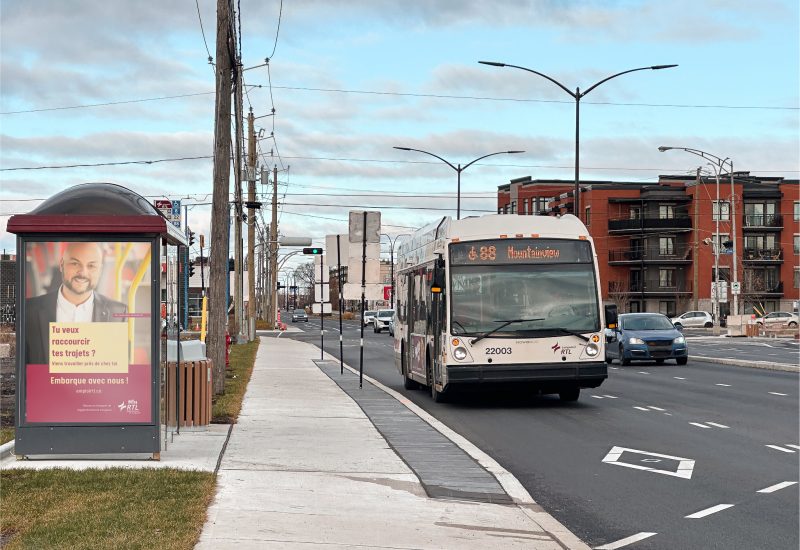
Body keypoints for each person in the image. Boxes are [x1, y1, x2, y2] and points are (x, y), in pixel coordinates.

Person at [25, 242, 127, 365]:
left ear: (100, 270)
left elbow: (117, 376)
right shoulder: (29, 311)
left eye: (91, 266)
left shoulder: (118, 314)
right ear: (62, 265)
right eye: (75, 263)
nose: (83, 273)